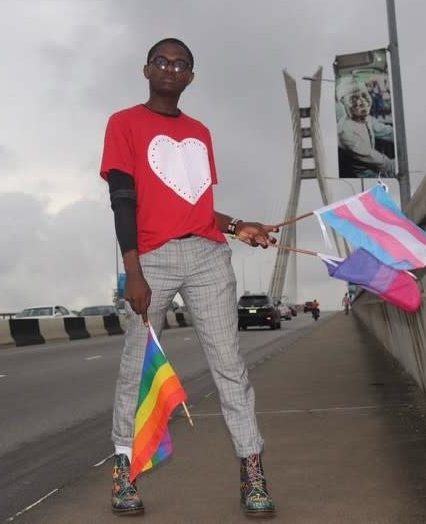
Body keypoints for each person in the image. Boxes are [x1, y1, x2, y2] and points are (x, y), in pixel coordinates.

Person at [99, 37, 278, 517]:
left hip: (207, 258)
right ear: (146, 69)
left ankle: (252, 471)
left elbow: (193, 206)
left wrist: (240, 227)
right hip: (150, 259)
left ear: (191, 78)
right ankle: (123, 473)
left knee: (229, 367)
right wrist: (132, 270)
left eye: (180, 65)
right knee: (136, 369)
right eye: (161, 62)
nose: (170, 70)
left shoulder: (199, 132)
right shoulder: (123, 124)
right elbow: (123, 199)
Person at [336, 80, 396, 178]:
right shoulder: (345, 133)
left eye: (364, 95)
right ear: (343, 102)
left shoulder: (365, 117)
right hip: (367, 178)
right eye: (354, 98)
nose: (361, 102)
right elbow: (385, 165)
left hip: (377, 170)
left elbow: (389, 133)